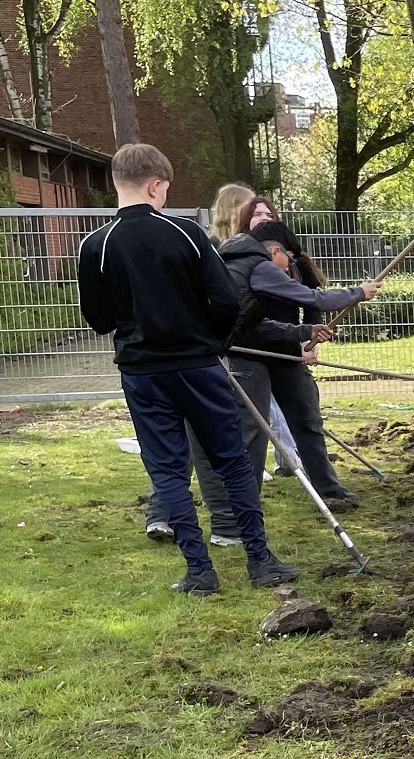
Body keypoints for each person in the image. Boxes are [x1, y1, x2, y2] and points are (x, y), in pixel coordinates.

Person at [77, 143, 298, 596]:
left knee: (167, 470)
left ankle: (200, 571)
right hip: (199, 366)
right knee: (231, 459)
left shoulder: (94, 245)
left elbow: (98, 319)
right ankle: (260, 560)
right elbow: (225, 301)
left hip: (142, 373)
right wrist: (211, 340)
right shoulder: (186, 234)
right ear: (156, 184)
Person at [220, 218, 378, 509]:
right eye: (289, 260)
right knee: (254, 431)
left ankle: (328, 490)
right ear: (276, 251)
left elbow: (256, 324)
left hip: (279, 351)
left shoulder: (237, 261)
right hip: (245, 356)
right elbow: (312, 298)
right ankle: (244, 506)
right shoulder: (258, 264)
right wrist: (358, 292)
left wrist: (304, 332)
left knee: (306, 419)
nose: (289, 267)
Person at [144, 180, 266, 546]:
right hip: (201, 357)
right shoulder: (210, 248)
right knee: (180, 436)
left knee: (198, 437)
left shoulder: (249, 252)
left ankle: (222, 521)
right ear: (233, 212)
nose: (257, 217)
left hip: (213, 355)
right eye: (251, 210)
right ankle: (162, 514)